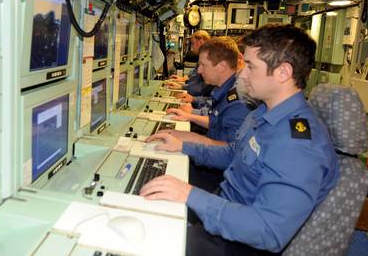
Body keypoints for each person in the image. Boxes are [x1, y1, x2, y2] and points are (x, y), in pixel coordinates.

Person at [140, 24, 340, 255]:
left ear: (283, 73)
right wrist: (183, 146)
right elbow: (233, 154)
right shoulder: (263, 113)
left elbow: (267, 231)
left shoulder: (299, 145)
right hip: (224, 208)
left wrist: (189, 195)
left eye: (251, 67)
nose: (242, 74)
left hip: (236, 242)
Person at [165, 37, 251, 146]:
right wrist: (189, 120)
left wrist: (187, 144)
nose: (199, 70)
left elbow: (231, 153)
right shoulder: (225, 88)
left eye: (204, 65)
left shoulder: (239, 102)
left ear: (221, 66)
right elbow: (217, 122)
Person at [165, 30, 214, 97]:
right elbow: (195, 72)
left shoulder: (209, 59)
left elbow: (203, 87)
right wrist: (185, 78)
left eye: (193, 43)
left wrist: (183, 87)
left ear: (200, 42)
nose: (192, 48)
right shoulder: (203, 56)